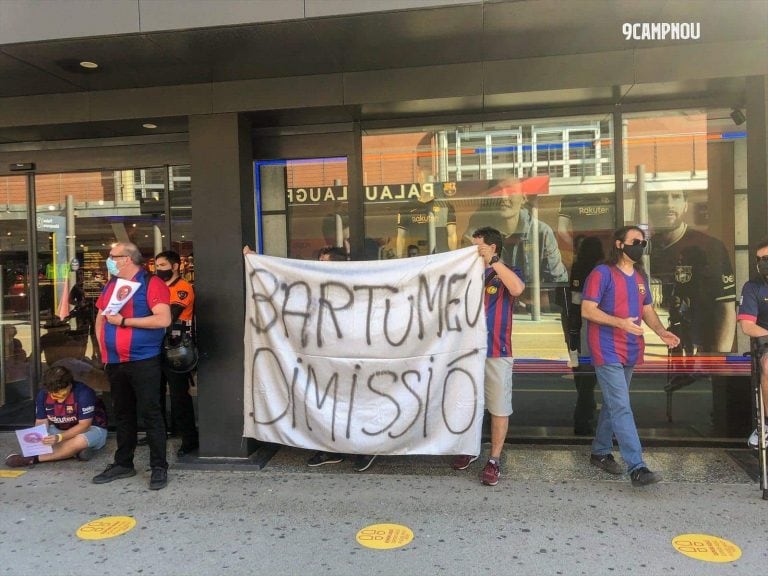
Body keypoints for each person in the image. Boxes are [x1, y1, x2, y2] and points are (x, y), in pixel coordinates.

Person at [581, 225, 680, 486]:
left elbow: (647, 309)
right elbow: (588, 310)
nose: (640, 246)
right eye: (635, 241)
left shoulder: (638, 276)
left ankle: (600, 451)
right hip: (607, 347)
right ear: (618, 244)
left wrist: (661, 332)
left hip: (630, 348)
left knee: (616, 403)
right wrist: (619, 323)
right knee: (621, 404)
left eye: (643, 242)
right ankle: (637, 466)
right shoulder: (602, 273)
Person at [91, 242, 171, 490]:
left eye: (113, 256)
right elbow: (101, 317)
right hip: (115, 361)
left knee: (151, 413)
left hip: (143, 359)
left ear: (127, 259)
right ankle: (123, 463)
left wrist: (125, 321)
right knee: (123, 413)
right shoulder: (111, 284)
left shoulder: (151, 283)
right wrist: (103, 349)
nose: (109, 260)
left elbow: (163, 319)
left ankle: (159, 467)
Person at [452, 226, 525, 486]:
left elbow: (516, 289)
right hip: (467, 351)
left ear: (493, 248)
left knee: (499, 407)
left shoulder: (507, 272)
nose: (473, 251)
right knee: (468, 404)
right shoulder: (466, 273)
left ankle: (494, 458)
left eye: (478, 246)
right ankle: (470, 450)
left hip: (497, 349)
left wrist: (493, 262)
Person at [648, 189, 736, 355]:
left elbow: (726, 306)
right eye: (660, 197)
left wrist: (719, 358)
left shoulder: (709, 246)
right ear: (648, 206)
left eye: (675, 196)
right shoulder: (645, 251)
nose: (669, 204)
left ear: (685, 205)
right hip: (658, 351)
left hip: (702, 349)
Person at [462, 179, 568, 284]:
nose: (503, 197)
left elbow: (558, 282)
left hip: (528, 300)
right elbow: (464, 276)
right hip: (490, 299)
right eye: (497, 191)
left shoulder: (541, 233)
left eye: (510, 190)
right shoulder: (475, 235)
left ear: (524, 197)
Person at [5, 365, 107, 467]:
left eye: (62, 395)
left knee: (79, 441)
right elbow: (41, 421)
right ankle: (73, 453)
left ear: (69, 385)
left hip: (90, 429)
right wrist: (40, 438)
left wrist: (59, 438)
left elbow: (84, 425)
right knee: (37, 437)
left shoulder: (84, 393)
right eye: (54, 396)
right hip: (59, 430)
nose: (59, 400)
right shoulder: (42, 394)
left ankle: (33, 459)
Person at [155, 250, 199, 457]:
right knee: (155, 393)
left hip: (176, 345)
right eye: (157, 266)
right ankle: (160, 432)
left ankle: (189, 438)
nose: (158, 270)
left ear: (174, 266)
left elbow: (169, 316)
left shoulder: (182, 288)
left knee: (179, 394)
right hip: (155, 344)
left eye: (163, 266)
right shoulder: (157, 286)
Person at [565, 236, 605, 435]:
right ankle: (584, 416)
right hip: (591, 326)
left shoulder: (579, 267)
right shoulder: (601, 269)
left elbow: (575, 299)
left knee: (582, 373)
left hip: (577, 328)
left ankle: (583, 416)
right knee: (590, 375)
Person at [736, 238, 768, 448]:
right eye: (759, 259)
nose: (762, 263)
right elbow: (747, 326)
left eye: (766, 258)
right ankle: (766, 425)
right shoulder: (753, 287)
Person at [396, 186, 457, 257]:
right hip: (416, 255)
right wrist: (399, 258)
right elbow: (401, 237)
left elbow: (452, 235)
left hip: (439, 254)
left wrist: (453, 258)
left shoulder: (444, 206)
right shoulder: (406, 208)